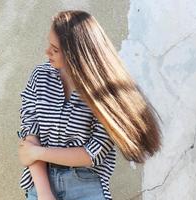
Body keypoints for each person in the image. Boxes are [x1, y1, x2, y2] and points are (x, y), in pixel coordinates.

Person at [17, 10, 162, 200]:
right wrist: (45, 194)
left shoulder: (107, 94)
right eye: (49, 44)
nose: (47, 52)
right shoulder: (40, 76)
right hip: (41, 183)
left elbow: (91, 154)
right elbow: (30, 138)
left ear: (76, 54)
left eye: (55, 49)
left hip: (86, 185)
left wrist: (39, 152)